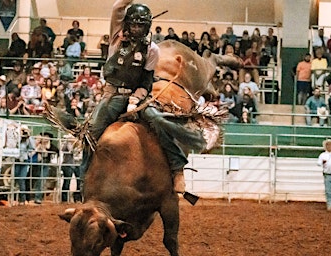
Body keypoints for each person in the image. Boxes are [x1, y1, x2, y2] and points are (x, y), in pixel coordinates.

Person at [84, 0, 204, 193]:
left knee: (160, 122)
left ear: (147, 26)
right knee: (88, 135)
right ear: (126, 23)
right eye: (133, 24)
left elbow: (146, 82)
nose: (137, 28)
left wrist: (134, 101)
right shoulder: (117, 35)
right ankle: (86, 180)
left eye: (141, 25)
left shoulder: (152, 50)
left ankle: (177, 169)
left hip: (136, 98)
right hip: (111, 96)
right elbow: (117, 7)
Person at [32, 132, 59, 204]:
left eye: (47, 137)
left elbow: (56, 151)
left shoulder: (51, 146)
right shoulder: (37, 144)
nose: (45, 138)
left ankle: (38, 197)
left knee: (41, 180)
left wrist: (47, 148)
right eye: (44, 136)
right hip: (36, 163)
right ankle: (30, 197)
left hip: (46, 163)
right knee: (33, 180)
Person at [60, 135, 82, 203]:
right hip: (68, 164)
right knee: (67, 182)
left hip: (77, 164)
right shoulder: (66, 143)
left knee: (79, 182)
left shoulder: (79, 144)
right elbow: (70, 150)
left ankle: (77, 198)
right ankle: (64, 199)